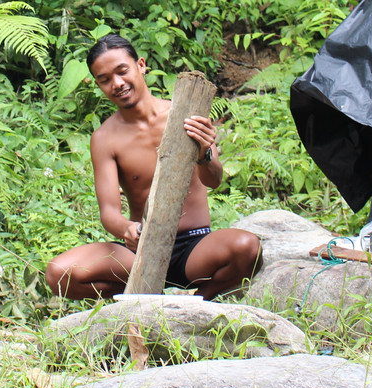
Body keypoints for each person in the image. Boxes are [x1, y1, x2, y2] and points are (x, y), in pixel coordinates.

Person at [45, 34, 262, 300]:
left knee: (247, 248)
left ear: (141, 65)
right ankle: (142, 296)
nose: (117, 83)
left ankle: (194, 302)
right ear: (98, 85)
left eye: (122, 71)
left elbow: (214, 180)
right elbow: (110, 212)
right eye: (105, 80)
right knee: (59, 273)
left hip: (194, 246)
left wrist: (204, 152)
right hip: (140, 249)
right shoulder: (104, 138)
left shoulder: (186, 113)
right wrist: (128, 230)